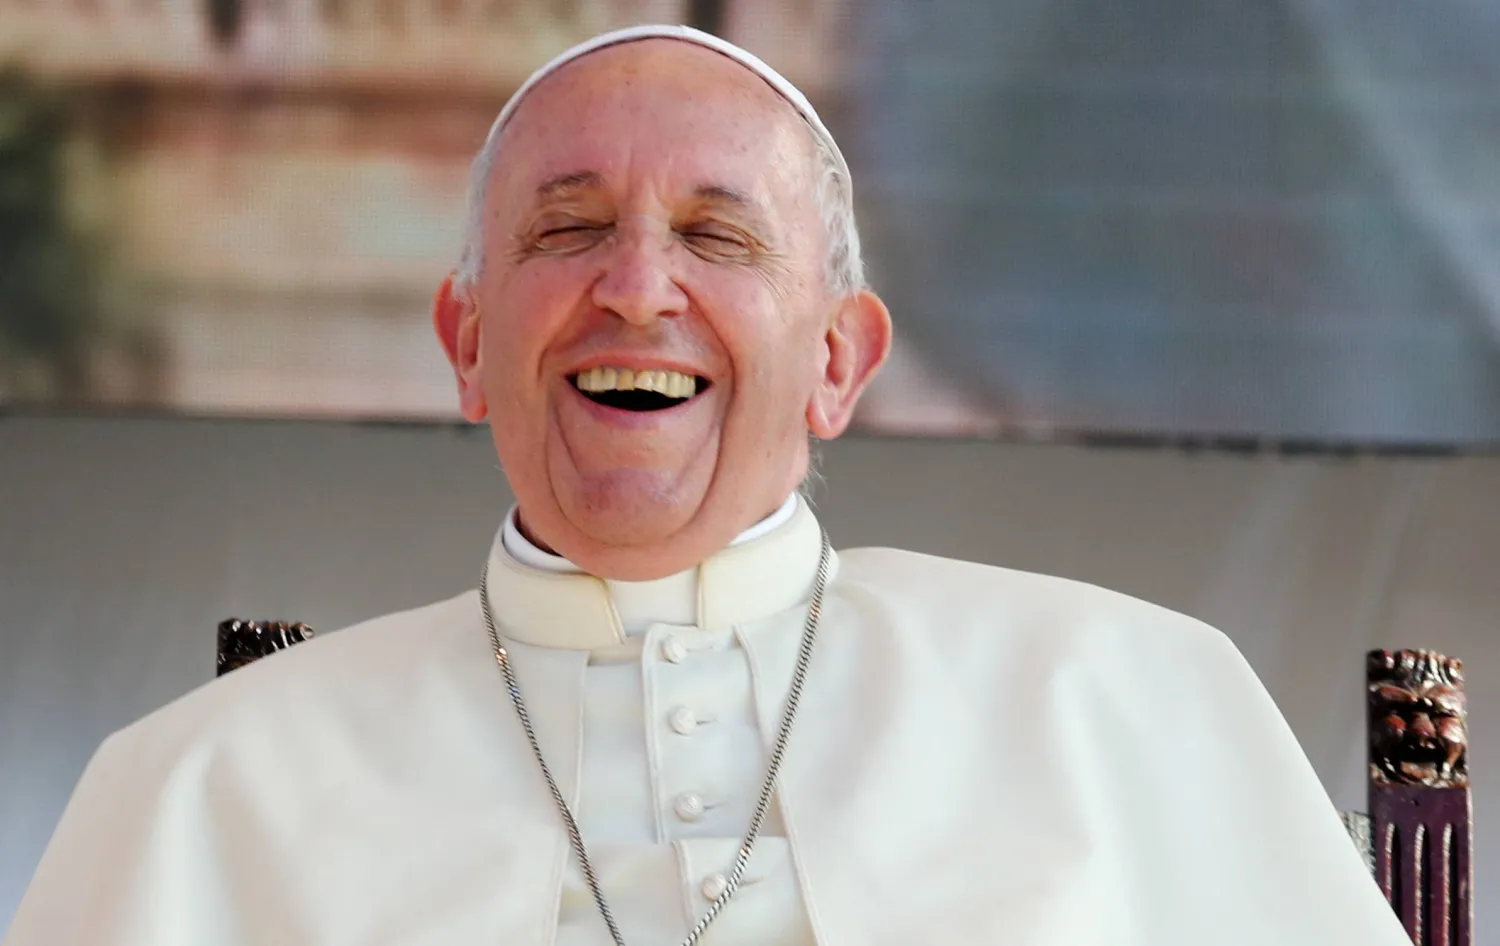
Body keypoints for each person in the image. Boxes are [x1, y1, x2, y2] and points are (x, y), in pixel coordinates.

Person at [3, 25, 1411, 946]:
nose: (635, 288)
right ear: (468, 340)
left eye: (715, 234)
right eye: (567, 228)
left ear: (841, 362)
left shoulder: (1130, 702)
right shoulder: (200, 786)